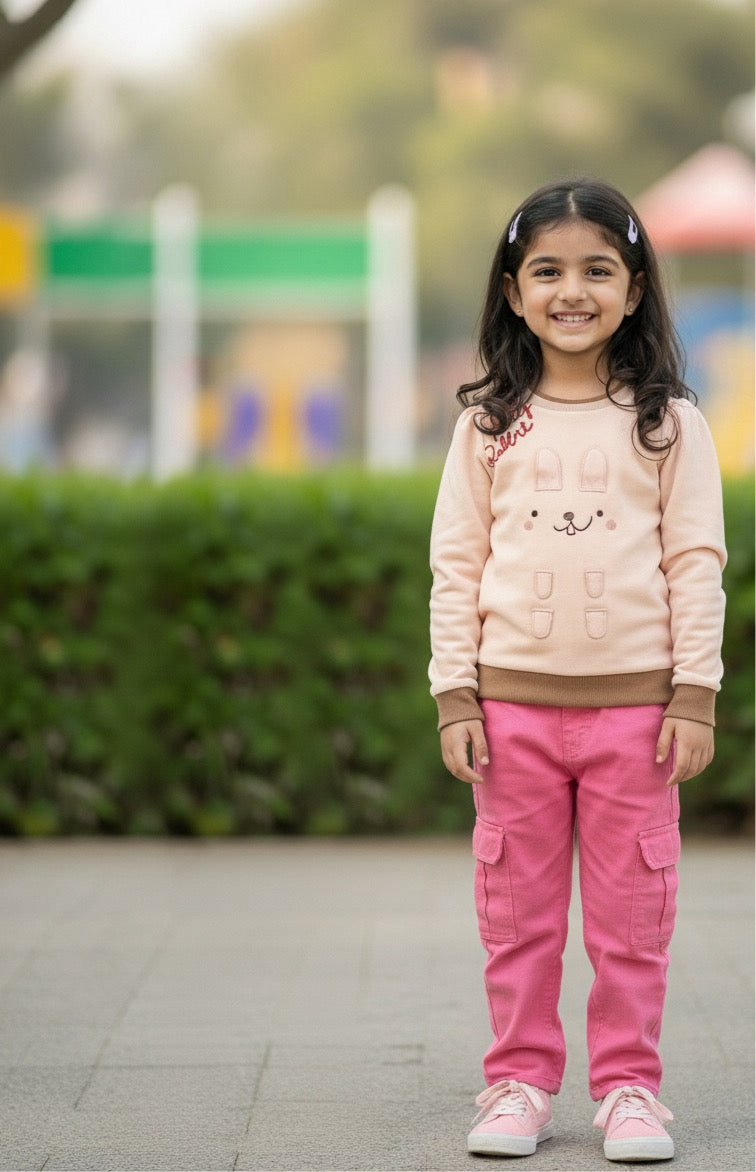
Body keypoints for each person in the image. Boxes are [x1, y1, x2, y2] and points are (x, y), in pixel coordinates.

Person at [428, 179, 726, 1161]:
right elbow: (456, 566)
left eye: (598, 269)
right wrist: (454, 694)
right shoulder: (486, 424)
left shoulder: (668, 422)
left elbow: (696, 564)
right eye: (547, 270)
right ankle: (517, 1078)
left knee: (632, 919)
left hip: (635, 721)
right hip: (510, 714)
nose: (572, 289)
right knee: (516, 916)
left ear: (635, 289)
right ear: (513, 291)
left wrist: (694, 693)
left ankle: (631, 1089)